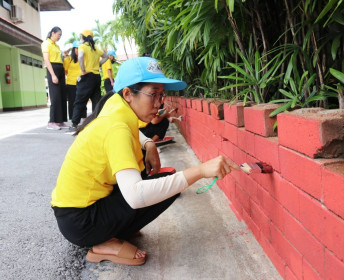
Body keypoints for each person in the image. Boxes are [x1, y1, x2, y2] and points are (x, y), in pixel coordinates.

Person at [51, 57, 240, 266]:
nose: (159, 102)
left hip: (76, 214)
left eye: (161, 94)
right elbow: (135, 196)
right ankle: (104, 241)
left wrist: (149, 143)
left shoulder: (115, 109)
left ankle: (117, 229)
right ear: (128, 94)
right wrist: (200, 171)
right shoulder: (116, 128)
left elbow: (129, 131)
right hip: (82, 222)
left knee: (163, 180)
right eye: (153, 94)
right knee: (165, 186)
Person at [70, 30, 108, 130]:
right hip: (96, 77)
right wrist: (98, 64)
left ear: (83, 37)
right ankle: (95, 123)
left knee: (80, 100)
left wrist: (83, 69)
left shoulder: (83, 46)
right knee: (96, 101)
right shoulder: (95, 48)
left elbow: (81, 56)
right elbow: (106, 56)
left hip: (87, 77)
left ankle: (74, 124)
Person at [41, 26, 68, 130]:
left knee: (62, 96)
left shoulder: (56, 46)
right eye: (58, 34)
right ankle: (51, 122)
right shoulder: (46, 43)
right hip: (53, 69)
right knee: (55, 97)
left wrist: (64, 55)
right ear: (52, 33)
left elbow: (59, 58)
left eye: (61, 35)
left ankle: (60, 121)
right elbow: (46, 60)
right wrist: (52, 75)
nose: (60, 37)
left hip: (60, 68)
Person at [63, 41, 86, 120]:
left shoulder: (83, 58)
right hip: (71, 83)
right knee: (72, 101)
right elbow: (65, 71)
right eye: (76, 48)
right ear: (73, 49)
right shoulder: (68, 58)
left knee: (82, 101)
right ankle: (73, 119)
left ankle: (83, 118)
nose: (78, 50)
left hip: (81, 82)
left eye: (80, 48)